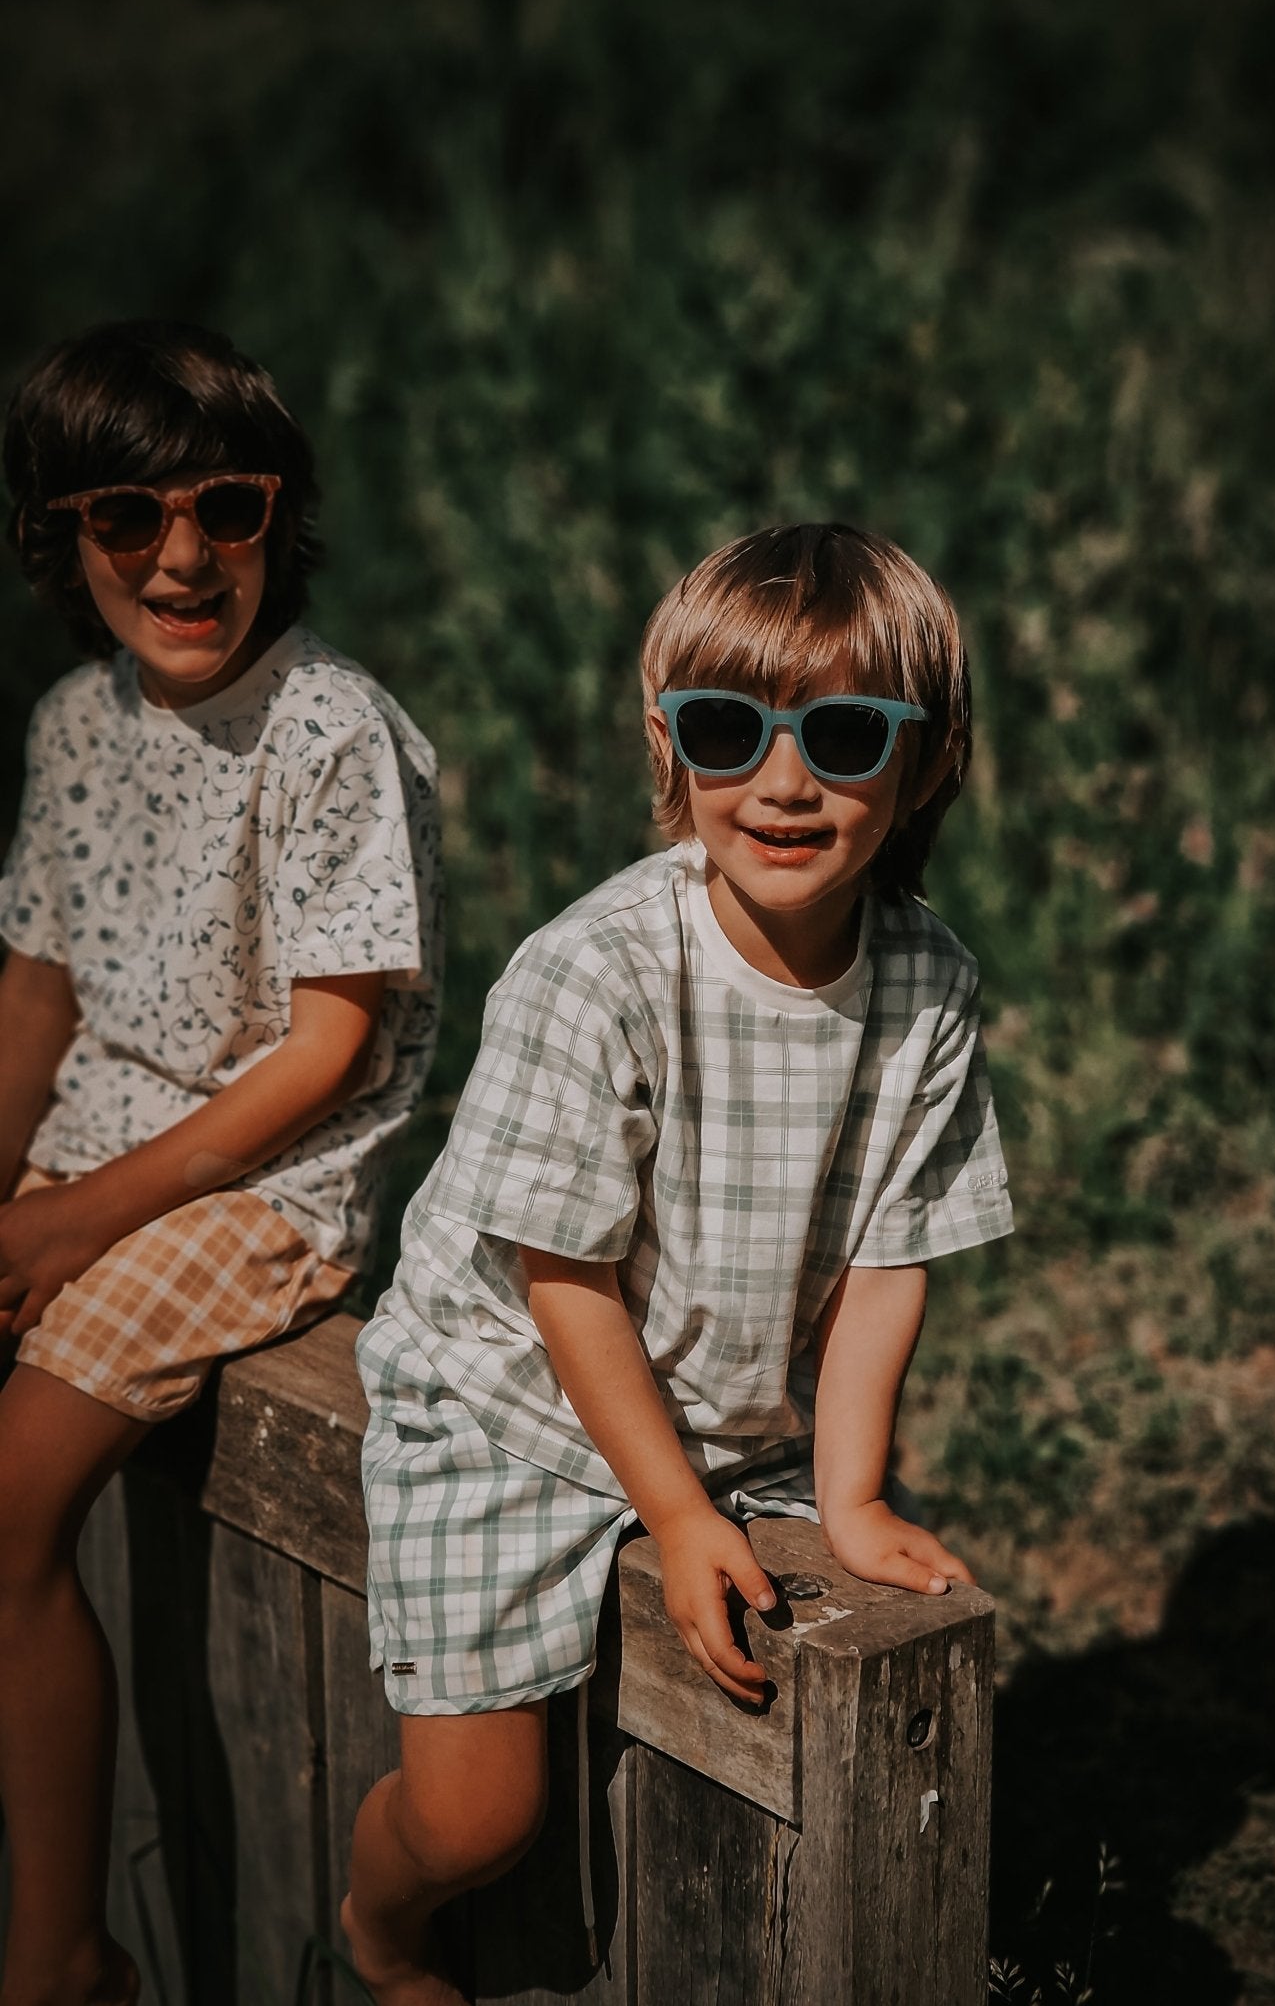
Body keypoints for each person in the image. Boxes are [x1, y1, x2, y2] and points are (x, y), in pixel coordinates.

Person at [343, 521, 1013, 2006]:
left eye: (845, 736)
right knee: (477, 1817)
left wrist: (845, 1495)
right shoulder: (601, 971)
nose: (784, 782)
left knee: (815, 1667)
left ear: (926, 761)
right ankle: (376, 1925)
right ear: (672, 749)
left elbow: (890, 1255)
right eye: (731, 729)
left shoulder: (928, 981)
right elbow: (559, 1278)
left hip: (726, 1402)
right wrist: (671, 1506)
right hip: (513, 1392)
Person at [0, 319, 443, 2006]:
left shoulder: (330, 731)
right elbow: (37, 989)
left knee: (16, 1497)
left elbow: (325, 1052)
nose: (184, 557)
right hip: (98, 1149)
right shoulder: (68, 725)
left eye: (227, 510)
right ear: (64, 538)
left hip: (266, 1185)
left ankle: (59, 1953)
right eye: (129, 519)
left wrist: (68, 1225)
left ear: (277, 519)